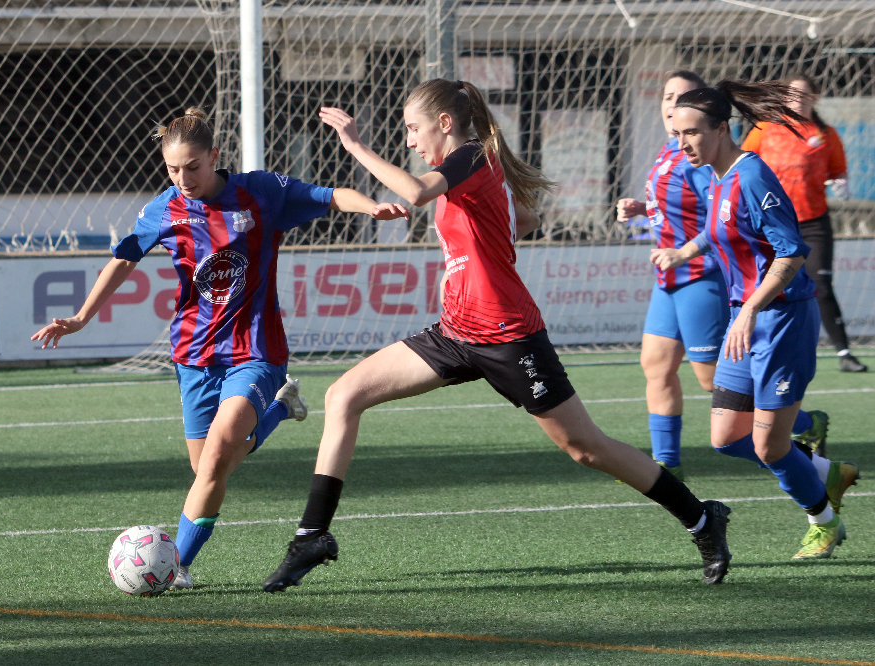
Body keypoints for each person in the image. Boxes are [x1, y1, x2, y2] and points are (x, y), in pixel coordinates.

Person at [263, 79, 733, 593]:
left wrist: (355, 144)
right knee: (343, 394)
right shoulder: (469, 170)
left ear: (445, 124)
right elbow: (523, 218)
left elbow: (417, 193)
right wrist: (473, 259)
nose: (411, 141)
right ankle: (312, 535)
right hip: (456, 332)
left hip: (509, 336)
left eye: (413, 130)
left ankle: (702, 516)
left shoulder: (469, 157)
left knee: (586, 448)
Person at [31, 107, 409, 590]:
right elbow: (123, 260)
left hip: (256, 349)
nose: (183, 178)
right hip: (193, 354)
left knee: (215, 459)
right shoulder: (163, 210)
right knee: (208, 465)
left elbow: (331, 195)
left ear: (214, 156)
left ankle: (176, 567)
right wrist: (82, 317)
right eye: (172, 169)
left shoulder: (260, 193)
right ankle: (281, 409)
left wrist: (371, 207)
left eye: (192, 166)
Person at [650, 81, 859, 561]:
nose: (682, 143)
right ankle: (825, 470)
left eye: (692, 133)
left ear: (723, 129)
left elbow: (791, 253)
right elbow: (717, 227)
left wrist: (749, 309)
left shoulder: (753, 176)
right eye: (677, 132)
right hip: (745, 318)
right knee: (726, 439)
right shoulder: (718, 176)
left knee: (768, 446)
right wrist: (685, 250)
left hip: (781, 319)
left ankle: (824, 522)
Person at [616, 70, 729, 479]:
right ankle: (667, 464)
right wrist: (641, 209)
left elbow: (720, 218)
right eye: (667, 97)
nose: (671, 105)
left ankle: (803, 425)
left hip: (700, 274)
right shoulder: (669, 150)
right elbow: (679, 207)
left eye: (681, 97)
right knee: (656, 366)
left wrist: (683, 252)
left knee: (713, 383)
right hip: (669, 280)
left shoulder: (700, 157)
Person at [742, 73, 867, 375]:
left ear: (814, 97)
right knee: (768, 285)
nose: (795, 99)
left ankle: (845, 353)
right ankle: (757, 346)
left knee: (821, 286)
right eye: (789, 94)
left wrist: (840, 182)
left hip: (813, 221)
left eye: (801, 93)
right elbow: (743, 165)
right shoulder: (765, 129)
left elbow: (838, 170)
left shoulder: (825, 134)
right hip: (773, 224)